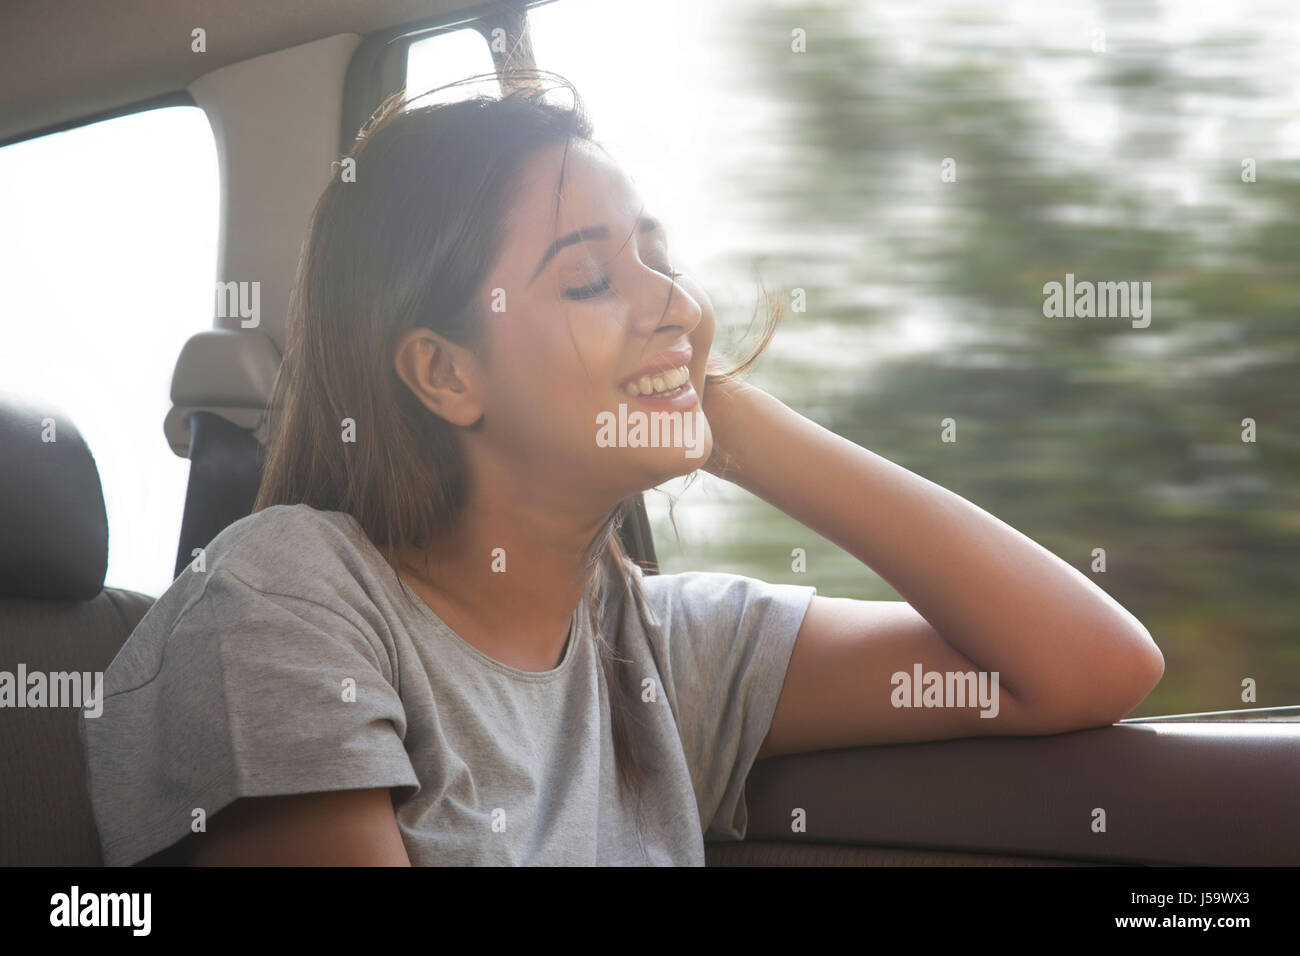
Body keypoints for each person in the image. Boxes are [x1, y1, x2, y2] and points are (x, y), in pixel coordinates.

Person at [80, 74, 1163, 866]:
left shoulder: (655, 650)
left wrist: (715, 410)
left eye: (663, 261)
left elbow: (1084, 664)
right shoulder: (286, 599)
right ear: (445, 373)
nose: (678, 304)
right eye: (594, 278)